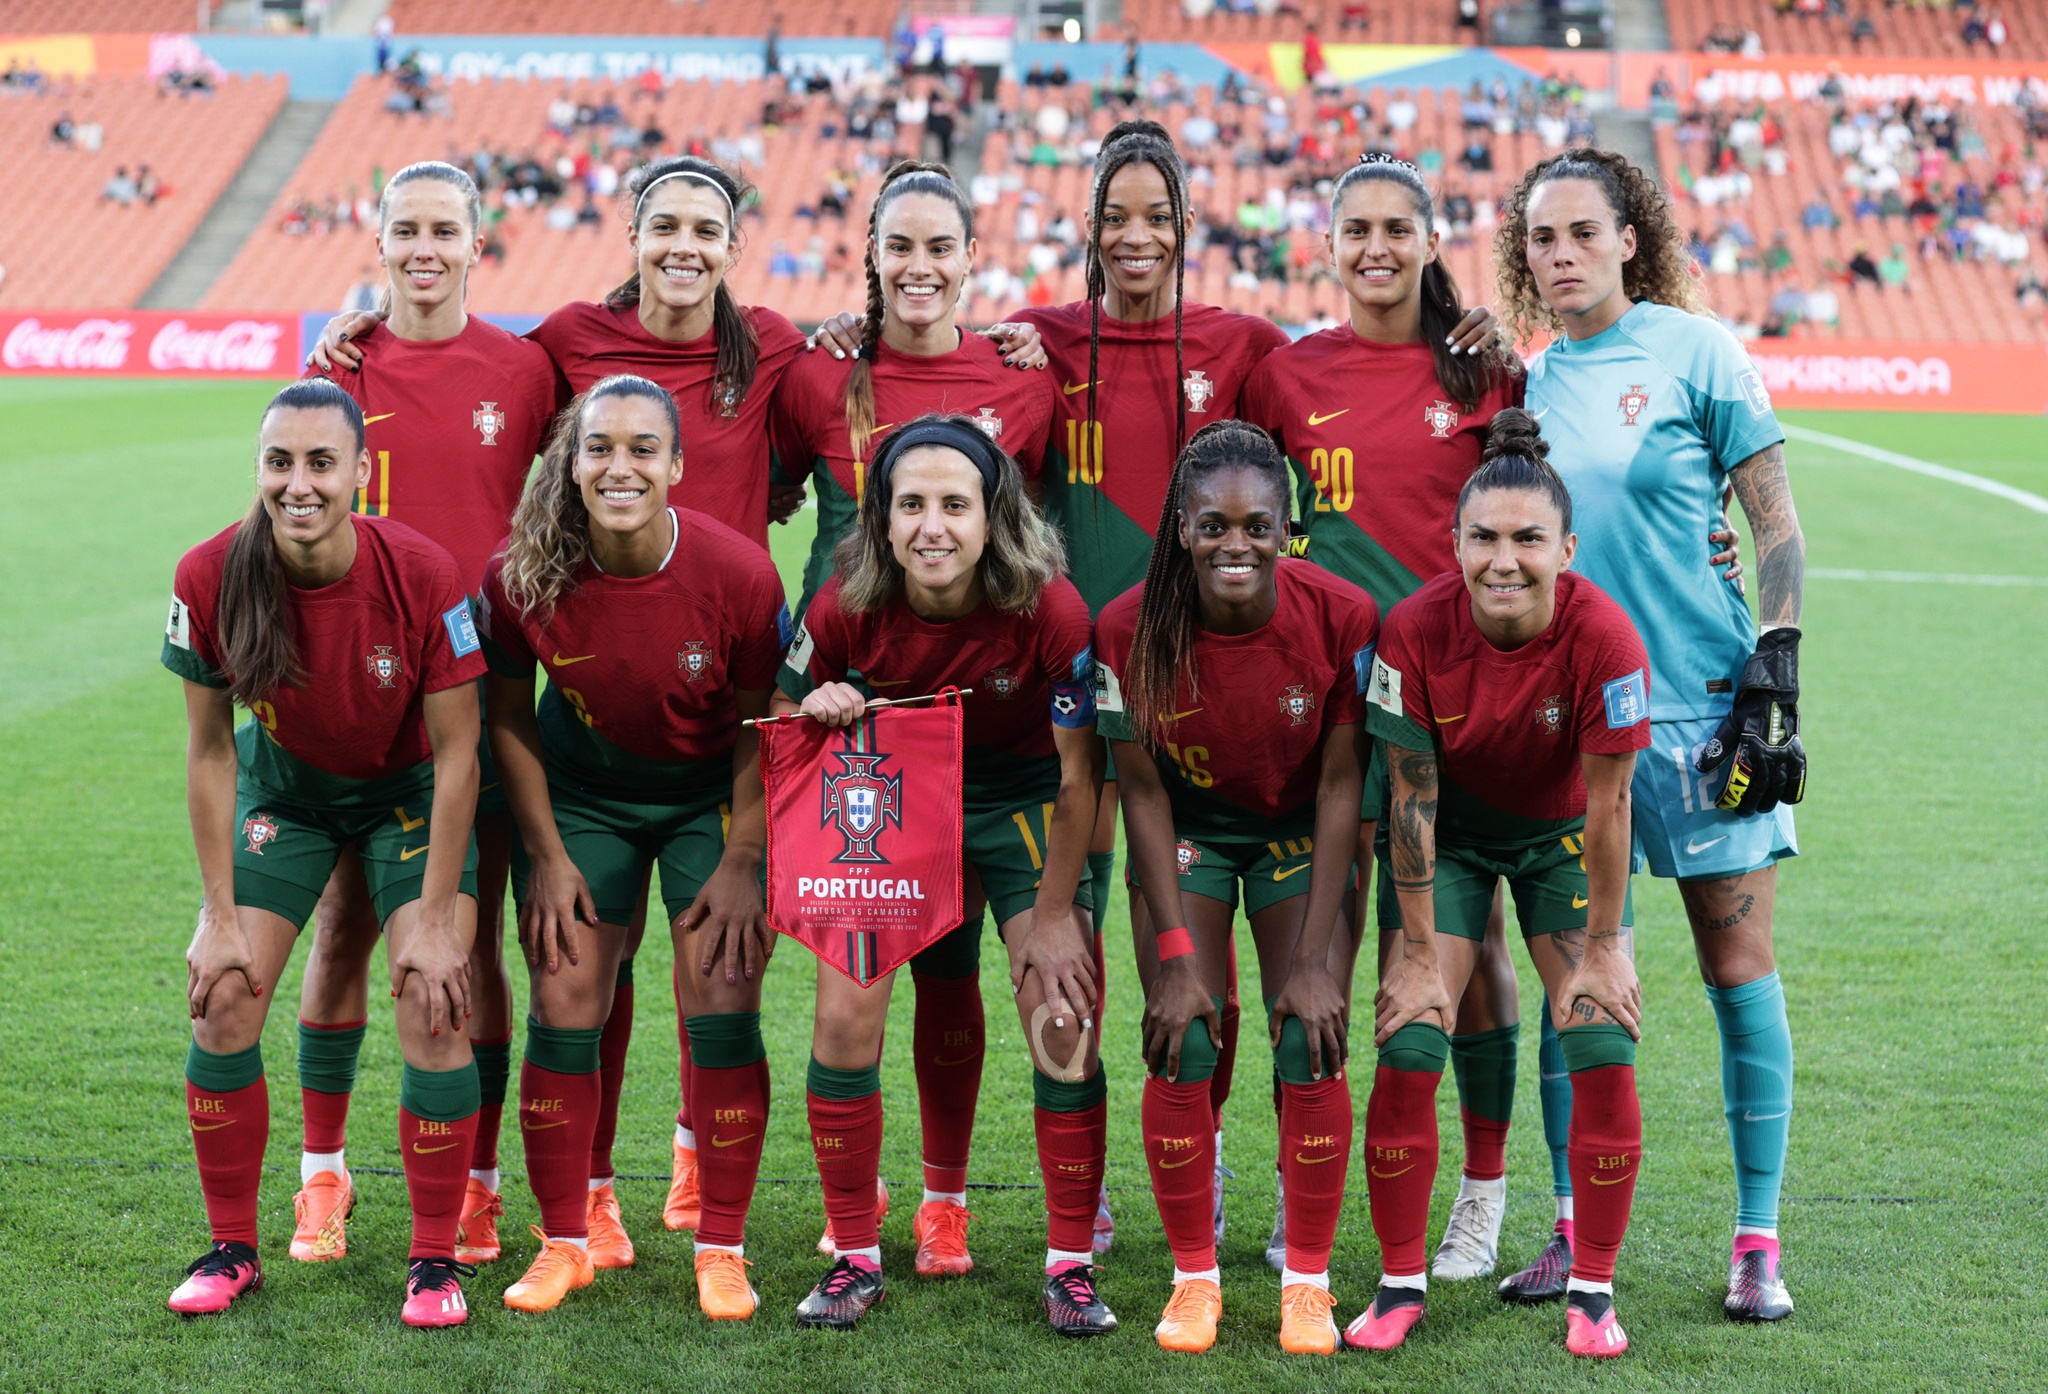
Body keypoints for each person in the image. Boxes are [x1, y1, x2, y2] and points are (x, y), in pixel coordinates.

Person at [312, 157, 810, 1247]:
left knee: (708, 960)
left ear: (733, 245)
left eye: (705, 227)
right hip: (569, 678)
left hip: (713, 676)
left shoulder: (771, 345)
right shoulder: (567, 344)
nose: (683, 245)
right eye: (663, 224)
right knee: (573, 947)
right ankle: (566, 1183)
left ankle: (690, 1157)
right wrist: (358, 335)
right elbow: (448, 379)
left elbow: (862, 385)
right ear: (630, 235)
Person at [1499, 147, 1806, 1322]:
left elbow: (1771, 521)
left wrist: (1774, 655)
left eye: (1581, 231)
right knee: (1575, 982)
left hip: (1706, 717)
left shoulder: (1697, 350)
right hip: (1580, 737)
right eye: (1540, 238)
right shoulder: (1527, 386)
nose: (1560, 254)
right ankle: (1572, 1230)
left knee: (1735, 971)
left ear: (1630, 236)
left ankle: (1755, 1239)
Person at [1242, 153, 1527, 1284]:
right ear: (1324, 243)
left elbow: (1522, 528)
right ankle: (1295, 1183)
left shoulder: (1479, 374)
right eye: (1352, 227)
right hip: (1321, 705)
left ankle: (1483, 1194)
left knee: (1467, 943)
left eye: (1393, 228)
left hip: (1456, 703)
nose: (1373, 247)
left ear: (1426, 238)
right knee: (1316, 939)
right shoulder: (1284, 373)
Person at [772, 165, 1061, 1274]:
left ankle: (945, 1202)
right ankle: (852, 1205)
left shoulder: (1022, 375)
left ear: (972, 257)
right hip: (856, 712)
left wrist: (1026, 333)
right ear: (873, 254)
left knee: (952, 979)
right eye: (901, 245)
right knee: (859, 984)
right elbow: (752, 476)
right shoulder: (817, 374)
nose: (921, 266)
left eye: (941, 245)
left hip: (988, 711)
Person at [775, 414, 1110, 1335]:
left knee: (1062, 1016)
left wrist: (1051, 917)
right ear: (880, 518)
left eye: (956, 505)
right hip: (896, 799)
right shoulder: (844, 604)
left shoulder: (1051, 607)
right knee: (845, 1016)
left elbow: (1083, 778)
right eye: (910, 503)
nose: (933, 526)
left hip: (1023, 804)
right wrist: (819, 703)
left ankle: (1070, 1264)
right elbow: (779, 711)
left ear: (994, 515)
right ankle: (855, 1255)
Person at [163, 379, 487, 1326]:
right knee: (223, 998)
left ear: (361, 472)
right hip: (289, 799)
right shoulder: (208, 574)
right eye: (279, 463)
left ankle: (433, 1264)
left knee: (435, 999)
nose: (298, 485)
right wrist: (218, 915)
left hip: (409, 794)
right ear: (258, 470)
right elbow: (213, 750)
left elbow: (461, 750)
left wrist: (433, 921)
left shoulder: (422, 572)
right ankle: (231, 1248)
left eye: (320, 463)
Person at [283, 160, 557, 1279]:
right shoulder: (339, 367)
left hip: (482, 689)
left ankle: (482, 1187)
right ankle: (323, 1172)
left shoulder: (523, 369)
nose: (426, 247)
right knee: (345, 923)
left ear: (476, 242)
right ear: (379, 236)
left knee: (474, 935)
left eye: (446, 228)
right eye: (407, 229)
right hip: (356, 686)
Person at [478, 375, 790, 1319]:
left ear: (677, 465)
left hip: (708, 798)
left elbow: (760, 728)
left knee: (725, 989)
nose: (619, 466)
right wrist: (546, 855)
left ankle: (722, 1247)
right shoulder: (520, 573)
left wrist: (744, 858)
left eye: (641, 449)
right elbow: (507, 719)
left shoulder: (740, 575)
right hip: (584, 798)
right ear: (569, 464)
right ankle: (566, 1239)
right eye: (599, 448)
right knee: (566, 986)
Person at [1353, 408, 1650, 1358]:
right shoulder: (1413, 628)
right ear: (1455, 542)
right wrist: (1411, 954)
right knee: (1409, 1036)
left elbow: (1609, 809)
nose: (1505, 559)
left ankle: (1594, 1295)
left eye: (1529, 539)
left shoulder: (1607, 639)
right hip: (1451, 843)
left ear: (1567, 546)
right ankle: (1400, 1286)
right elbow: (1408, 798)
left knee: (1601, 1035)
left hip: (1563, 836)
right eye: (1484, 538)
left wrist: (1604, 950)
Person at [1095, 420, 1375, 1355]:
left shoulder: (1342, 616)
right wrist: (1175, 961)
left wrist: (1313, 960)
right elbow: (1138, 792)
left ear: (1287, 530)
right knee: (1186, 1038)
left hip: (1300, 833)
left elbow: (1342, 788)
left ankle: (1307, 1282)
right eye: (1213, 525)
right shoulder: (1125, 626)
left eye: (1258, 525)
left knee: (1311, 1035)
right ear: (1180, 526)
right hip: (1190, 838)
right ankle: (1193, 1279)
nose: (1236, 544)